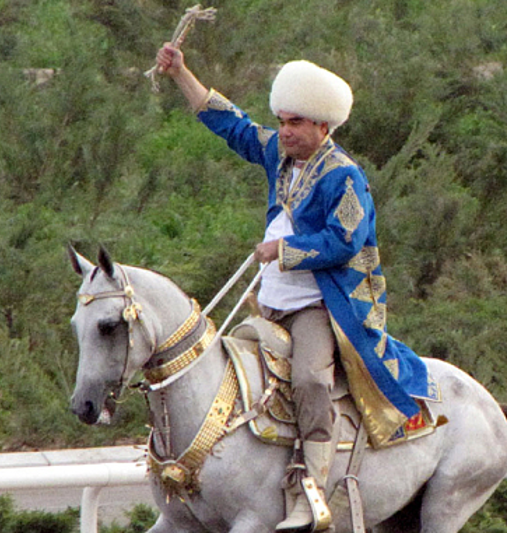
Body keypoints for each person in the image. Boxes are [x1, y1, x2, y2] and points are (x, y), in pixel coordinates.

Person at [155, 44, 431, 532]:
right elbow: (232, 125)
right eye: (282, 121)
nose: (284, 131)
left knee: (309, 381)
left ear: (323, 126)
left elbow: (345, 241)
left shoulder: (346, 177)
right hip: (270, 302)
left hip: (319, 305)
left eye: (295, 123)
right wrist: (181, 74)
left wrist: (284, 250)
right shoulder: (279, 155)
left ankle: (313, 490)